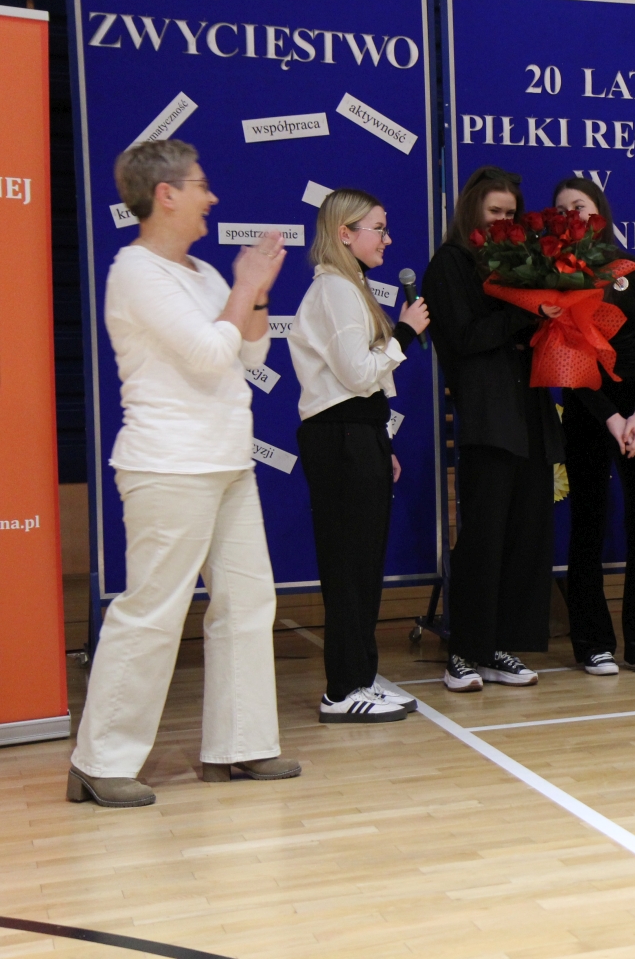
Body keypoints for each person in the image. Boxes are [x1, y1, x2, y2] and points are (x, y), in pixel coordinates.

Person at [68, 140, 299, 808]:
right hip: (168, 464)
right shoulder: (135, 272)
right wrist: (245, 289)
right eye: (200, 185)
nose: (212, 196)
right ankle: (99, 761)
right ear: (165, 195)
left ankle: (240, 745)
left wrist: (256, 293)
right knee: (153, 611)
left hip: (228, 461)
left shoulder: (201, 273)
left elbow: (250, 350)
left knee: (247, 602)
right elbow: (204, 354)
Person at [288, 189, 430, 722]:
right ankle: (343, 689)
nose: (388, 239)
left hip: (357, 432)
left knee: (363, 564)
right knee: (349, 565)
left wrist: (380, 440)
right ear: (344, 233)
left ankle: (360, 677)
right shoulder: (336, 290)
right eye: (378, 228)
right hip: (341, 436)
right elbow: (356, 373)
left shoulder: (350, 286)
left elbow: (362, 384)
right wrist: (405, 333)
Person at [422, 167, 561, 692]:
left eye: (511, 213)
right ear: (472, 211)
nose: (503, 220)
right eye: (494, 211)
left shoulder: (519, 261)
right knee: (484, 537)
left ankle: (500, 644)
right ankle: (464, 650)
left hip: (529, 412)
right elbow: (463, 338)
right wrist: (527, 314)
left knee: (525, 535)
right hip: (487, 418)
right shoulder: (450, 264)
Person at [554, 177, 635, 676]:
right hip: (589, 410)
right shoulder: (557, 275)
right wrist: (611, 416)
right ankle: (592, 643)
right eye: (562, 210)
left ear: (599, 210)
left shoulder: (634, 270)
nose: (573, 215)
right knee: (589, 524)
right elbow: (566, 355)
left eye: (580, 205)